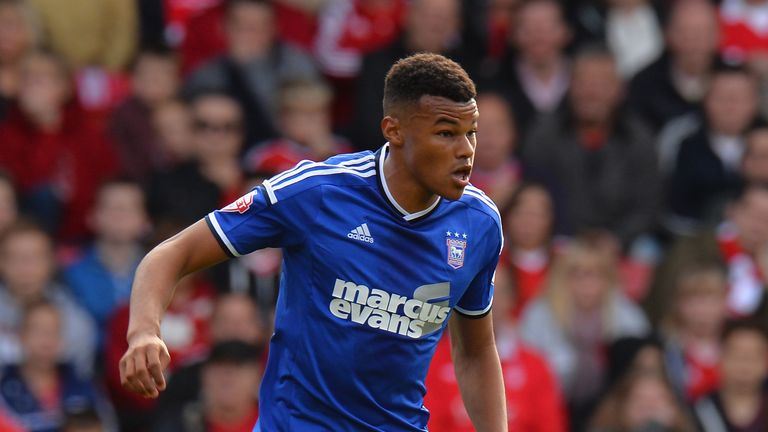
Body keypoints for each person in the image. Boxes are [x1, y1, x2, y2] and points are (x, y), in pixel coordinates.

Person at [120, 53, 507, 431]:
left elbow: (475, 352)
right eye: (446, 133)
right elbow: (173, 253)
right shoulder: (317, 192)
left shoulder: (479, 225)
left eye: (471, 132)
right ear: (394, 130)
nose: (466, 151)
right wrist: (143, 332)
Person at [694, 320, 768, 432]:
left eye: (753, 357)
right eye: (737, 356)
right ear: (720, 358)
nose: (745, 366)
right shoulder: (699, 410)